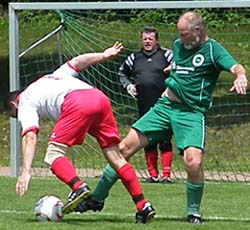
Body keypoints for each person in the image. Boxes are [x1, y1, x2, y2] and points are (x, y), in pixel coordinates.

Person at [75, 12, 248, 224]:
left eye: (184, 35)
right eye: (179, 34)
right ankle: (97, 198)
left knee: (193, 162)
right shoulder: (178, 45)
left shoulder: (213, 50)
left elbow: (235, 66)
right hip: (165, 107)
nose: (180, 39)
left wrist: (241, 76)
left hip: (191, 113)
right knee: (122, 149)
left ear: (197, 31)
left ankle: (193, 212)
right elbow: (183, 68)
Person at [3, 42, 155, 224]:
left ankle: (78, 187)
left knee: (53, 154)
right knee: (116, 157)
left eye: (14, 116)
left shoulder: (25, 101)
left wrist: (25, 171)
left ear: (14, 105)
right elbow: (77, 62)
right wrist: (104, 55)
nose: (17, 118)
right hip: (100, 98)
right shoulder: (51, 77)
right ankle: (143, 205)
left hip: (77, 102)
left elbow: (29, 135)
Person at [118, 26, 173, 184]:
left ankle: (166, 175)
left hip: (164, 104)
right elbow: (122, 72)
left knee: (164, 139)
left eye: (150, 39)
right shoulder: (134, 57)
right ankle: (153, 175)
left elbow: (181, 66)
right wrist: (128, 85)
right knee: (147, 140)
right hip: (143, 104)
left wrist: (172, 69)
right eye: (145, 39)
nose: (147, 41)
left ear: (157, 40)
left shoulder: (167, 54)